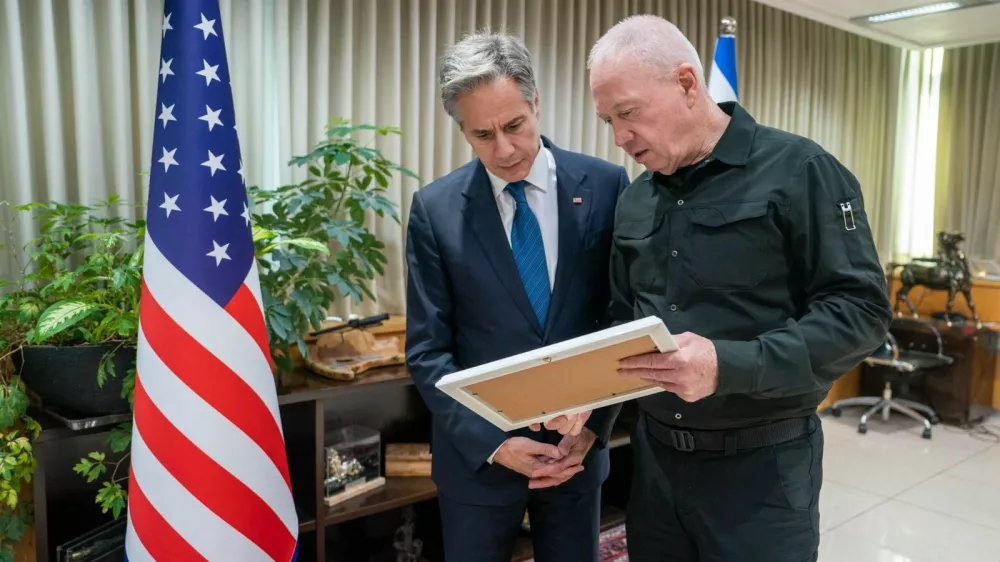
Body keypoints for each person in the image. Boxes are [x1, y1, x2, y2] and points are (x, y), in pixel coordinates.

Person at [586, 15, 892, 562]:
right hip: (654, 466)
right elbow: (621, 319)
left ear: (686, 82)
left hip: (762, 470)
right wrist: (579, 405)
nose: (620, 137)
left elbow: (859, 313)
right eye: (608, 120)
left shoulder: (800, 170)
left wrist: (728, 365)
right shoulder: (636, 199)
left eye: (628, 113)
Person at [404, 30, 630, 562]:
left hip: (577, 455)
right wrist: (496, 443)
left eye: (514, 125)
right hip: (478, 464)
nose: (504, 149)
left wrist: (595, 426)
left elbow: (619, 319)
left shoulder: (605, 186)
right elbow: (427, 351)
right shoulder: (435, 211)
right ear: (462, 129)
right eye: (482, 134)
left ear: (535, 103)